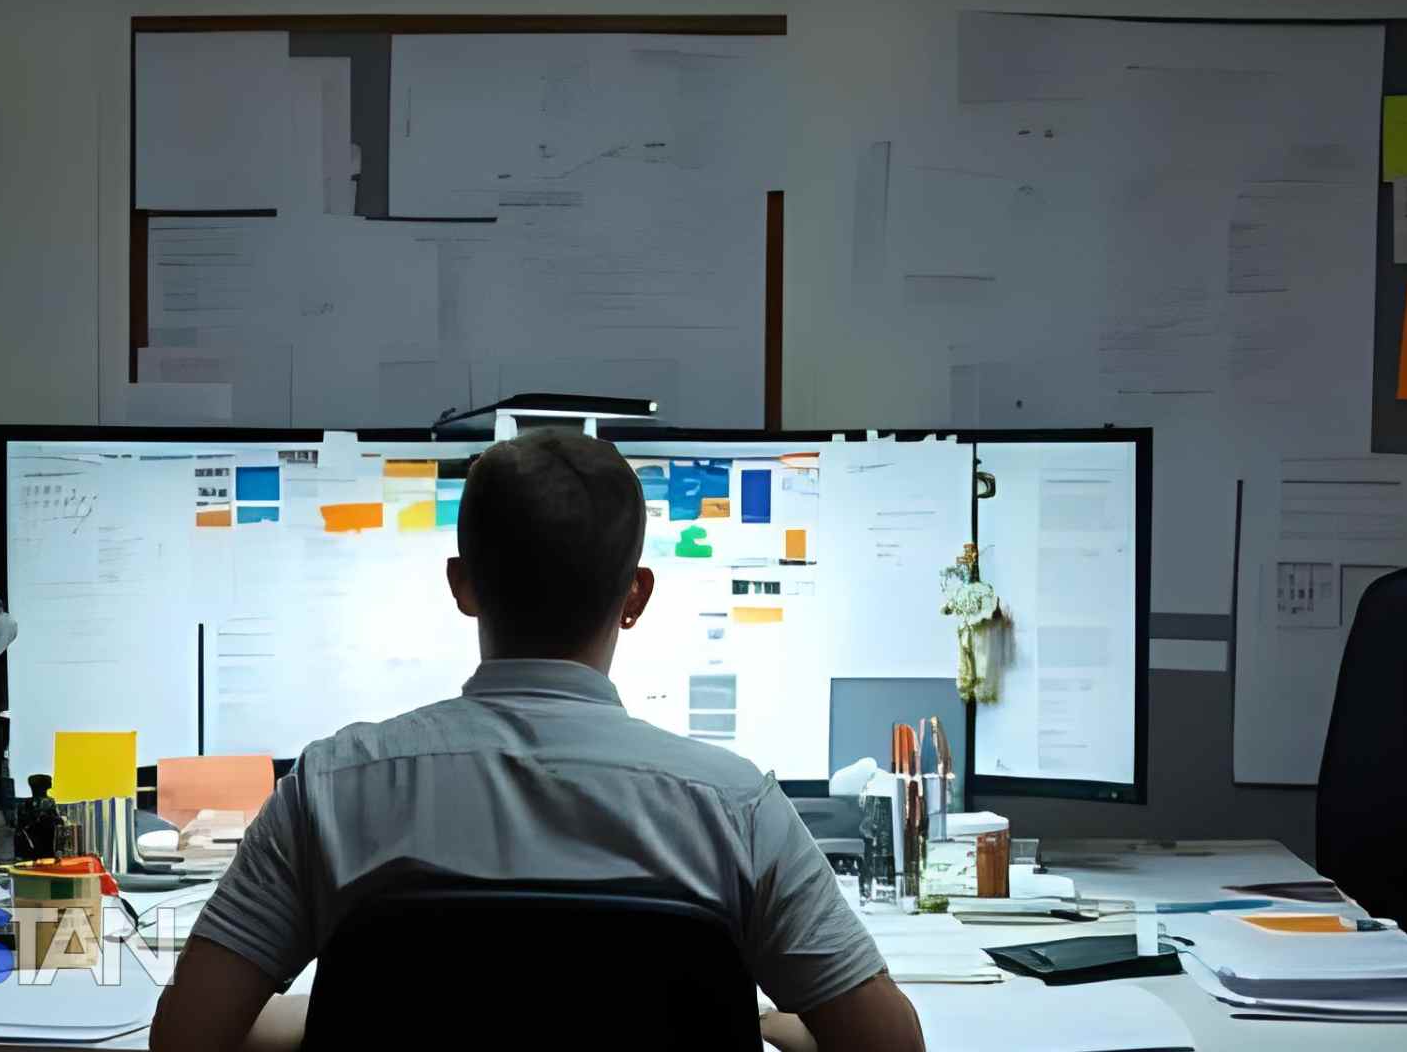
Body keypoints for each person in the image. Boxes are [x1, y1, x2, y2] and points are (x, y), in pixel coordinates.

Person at [151, 429, 923, 1052]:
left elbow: (186, 1039)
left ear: (462, 585)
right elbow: (892, 1050)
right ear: (636, 597)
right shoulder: (736, 808)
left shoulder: (329, 788)